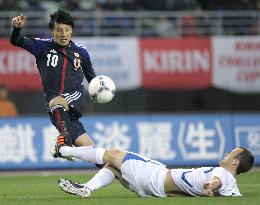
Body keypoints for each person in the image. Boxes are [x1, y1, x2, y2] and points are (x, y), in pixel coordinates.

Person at [57, 145, 254, 197]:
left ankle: (63, 150)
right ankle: (87, 188)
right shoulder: (232, 187)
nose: (227, 153)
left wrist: (211, 185)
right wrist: (211, 188)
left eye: (231, 153)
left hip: (154, 176)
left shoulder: (223, 174)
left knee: (113, 154)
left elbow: (216, 180)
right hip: (153, 191)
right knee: (113, 168)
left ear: (235, 162)